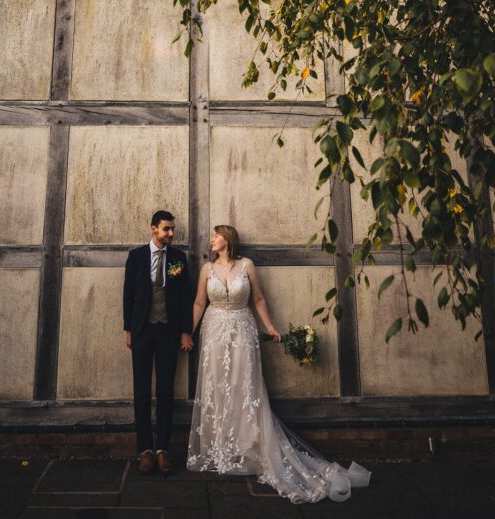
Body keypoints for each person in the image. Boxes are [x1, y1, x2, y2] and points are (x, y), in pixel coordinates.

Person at [187, 224, 371, 504]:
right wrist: (188, 331)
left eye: (216, 236)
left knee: (243, 387)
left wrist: (271, 328)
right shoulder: (207, 269)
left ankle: (248, 446)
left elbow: (258, 299)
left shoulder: (247, 265)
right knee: (217, 387)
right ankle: (220, 446)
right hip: (213, 333)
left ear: (228, 240)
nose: (211, 240)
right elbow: (199, 303)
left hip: (242, 329)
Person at [123, 209, 193, 475]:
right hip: (141, 331)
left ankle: (163, 450)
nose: (171, 233)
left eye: (172, 229)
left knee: (165, 391)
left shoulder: (178, 258)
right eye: (166, 229)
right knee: (141, 391)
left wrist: (186, 331)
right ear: (153, 229)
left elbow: (186, 297)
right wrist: (128, 328)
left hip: (168, 332)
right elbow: (128, 294)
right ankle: (145, 450)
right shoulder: (136, 257)